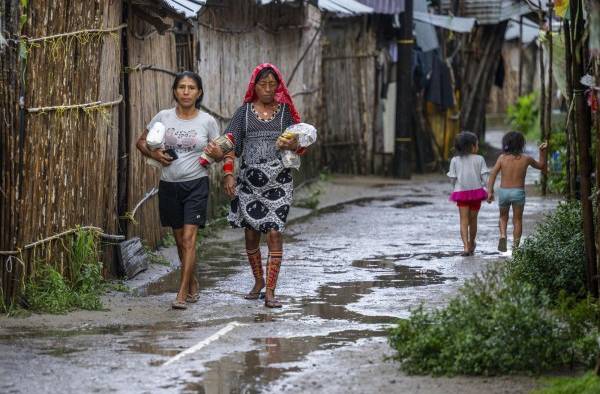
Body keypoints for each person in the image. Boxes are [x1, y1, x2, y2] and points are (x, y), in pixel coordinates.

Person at [216, 63, 304, 308]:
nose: (267, 88)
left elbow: (301, 142)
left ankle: (271, 292)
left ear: (278, 86)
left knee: (275, 232)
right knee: (251, 233)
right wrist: (228, 174)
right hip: (249, 183)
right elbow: (230, 143)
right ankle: (258, 281)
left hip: (279, 182)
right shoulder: (243, 113)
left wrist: (294, 143)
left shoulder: (285, 112)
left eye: (272, 84)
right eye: (263, 84)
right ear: (254, 86)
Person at [135, 71, 221, 309]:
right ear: (174, 91)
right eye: (181, 87)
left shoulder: (207, 122)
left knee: (188, 239)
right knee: (180, 242)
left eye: (191, 88)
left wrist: (218, 155)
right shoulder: (163, 117)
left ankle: (181, 293)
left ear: (199, 93)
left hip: (196, 184)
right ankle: (192, 281)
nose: (186, 92)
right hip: (169, 186)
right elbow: (141, 142)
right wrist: (154, 153)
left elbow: (222, 150)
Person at [487, 131, 547, 251]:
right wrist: (542, 152)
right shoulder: (526, 159)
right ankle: (515, 246)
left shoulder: (502, 158)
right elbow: (541, 166)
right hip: (518, 193)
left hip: (504, 192)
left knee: (503, 217)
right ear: (521, 145)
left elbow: (493, 174)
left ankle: (503, 235)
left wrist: (490, 192)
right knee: (517, 220)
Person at [447, 131, 489, 256]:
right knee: (473, 220)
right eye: (477, 144)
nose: (478, 147)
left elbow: (452, 178)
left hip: (461, 193)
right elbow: (485, 177)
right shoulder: (480, 159)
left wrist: (455, 188)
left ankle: (465, 247)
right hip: (477, 193)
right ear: (472, 146)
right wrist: (490, 190)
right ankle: (471, 243)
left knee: (463, 220)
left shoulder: (454, 160)